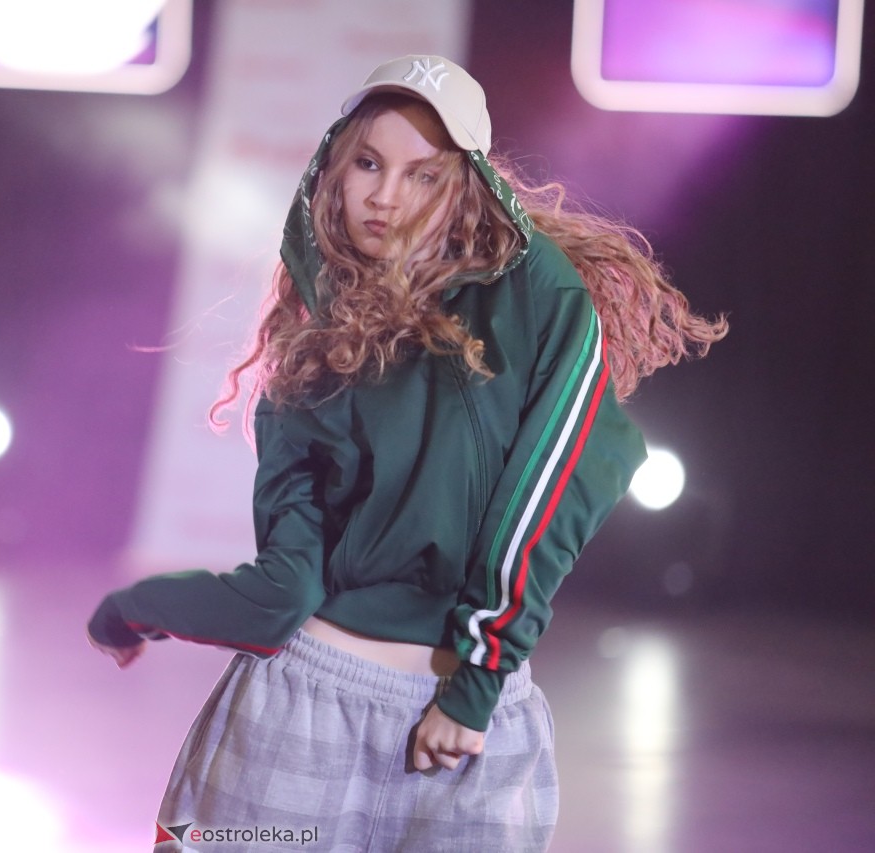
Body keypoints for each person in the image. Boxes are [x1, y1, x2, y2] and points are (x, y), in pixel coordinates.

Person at [88, 55, 727, 851]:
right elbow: (283, 593)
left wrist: (477, 680)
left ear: (468, 185)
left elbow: (563, 479)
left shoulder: (536, 294)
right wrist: (138, 606)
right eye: (367, 163)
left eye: (423, 174)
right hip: (300, 709)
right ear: (331, 168)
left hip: (462, 729)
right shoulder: (309, 348)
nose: (386, 195)